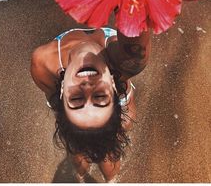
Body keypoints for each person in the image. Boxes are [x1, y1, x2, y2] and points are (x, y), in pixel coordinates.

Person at [31, 26, 151, 182]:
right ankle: (109, 180)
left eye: (76, 99)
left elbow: (59, 110)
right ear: (113, 85)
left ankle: (87, 177)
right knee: (106, 149)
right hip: (121, 96)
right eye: (100, 97)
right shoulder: (127, 60)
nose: (87, 88)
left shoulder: (43, 63)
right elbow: (137, 12)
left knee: (78, 148)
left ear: (62, 90)